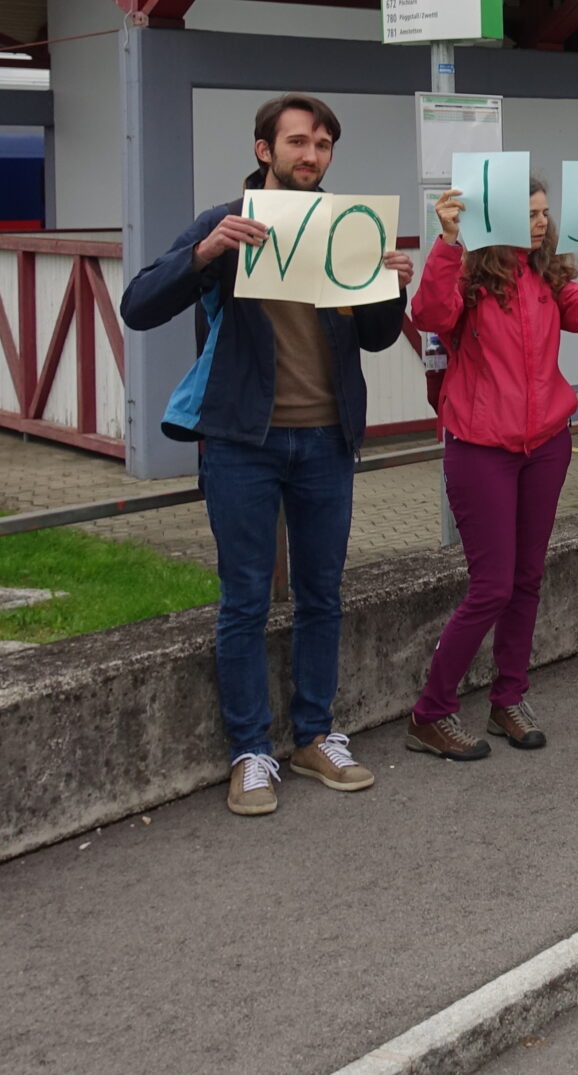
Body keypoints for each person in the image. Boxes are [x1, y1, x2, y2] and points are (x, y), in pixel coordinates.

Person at [122, 93, 411, 818]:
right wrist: (207, 251)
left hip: (326, 438)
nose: (310, 155)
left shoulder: (347, 224)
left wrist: (390, 283)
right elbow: (139, 304)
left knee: (322, 593)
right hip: (243, 440)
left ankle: (315, 734)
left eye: (322, 144)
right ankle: (250, 752)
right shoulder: (230, 219)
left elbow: (376, 338)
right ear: (264, 149)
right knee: (245, 599)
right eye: (297, 142)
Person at [406, 175, 578, 761]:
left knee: (527, 578)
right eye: (529, 213)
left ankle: (508, 697)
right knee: (491, 586)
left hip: (546, 446)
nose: (540, 222)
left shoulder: (547, 277)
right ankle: (429, 713)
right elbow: (429, 311)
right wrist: (446, 241)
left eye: (544, 213)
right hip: (480, 447)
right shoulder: (469, 278)